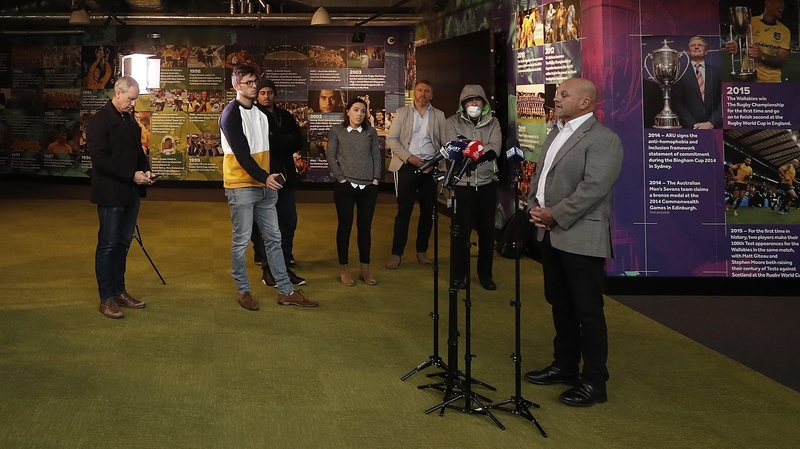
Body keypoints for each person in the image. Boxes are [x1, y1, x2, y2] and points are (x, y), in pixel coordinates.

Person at [525, 77, 624, 407]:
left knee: (588, 311)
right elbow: (542, 176)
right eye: (557, 94)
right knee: (560, 303)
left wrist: (554, 214)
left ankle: (595, 382)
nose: (556, 98)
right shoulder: (556, 131)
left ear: (585, 102)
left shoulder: (604, 140)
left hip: (580, 236)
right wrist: (534, 206)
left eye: (563, 94)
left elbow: (594, 189)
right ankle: (565, 366)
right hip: (551, 234)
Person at [219, 64, 318, 310]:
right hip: (241, 186)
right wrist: (265, 177)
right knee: (241, 240)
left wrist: (269, 178)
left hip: (265, 186)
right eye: (249, 83)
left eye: (256, 82)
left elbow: (271, 150)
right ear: (236, 86)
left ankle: (286, 291)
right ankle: (243, 291)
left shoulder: (262, 115)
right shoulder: (230, 114)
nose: (254, 86)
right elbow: (242, 155)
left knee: (274, 238)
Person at [88, 76, 157, 319]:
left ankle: (119, 291)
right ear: (118, 93)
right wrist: (132, 175)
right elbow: (100, 161)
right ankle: (106, 298)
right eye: (130, 99)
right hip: (110, 193)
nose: (133, 104)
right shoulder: (98, 122)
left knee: (123, 244)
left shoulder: (129, 120)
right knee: (107, 245)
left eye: (135, 100)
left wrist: (145, 171)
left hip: (129, 192)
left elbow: (138, 152)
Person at [444, 84, 502, 290]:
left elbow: (495, 147)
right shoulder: (452, 122)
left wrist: (472, 149)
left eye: (478, 100)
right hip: (463, 185)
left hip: (486, 185)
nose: (474, 104)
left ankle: (485, 275)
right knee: (461, 233)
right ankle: (459, 275)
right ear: (463, 104)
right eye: (470, 100)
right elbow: (455, 147)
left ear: (484, 103)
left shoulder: (493, 123)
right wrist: (475, 148)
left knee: (487, 234)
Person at [250, 79, 306, 287]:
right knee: (267, 226)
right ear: (257, 95)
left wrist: (278, 140)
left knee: (289, 221)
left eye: (269, 92)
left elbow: (299, 141)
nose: (266, 96)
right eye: (262, 92)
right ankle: (268, 269)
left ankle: (283, 263)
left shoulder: (285, 116)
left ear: (275, 94)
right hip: (264, 178)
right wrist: (284, 141)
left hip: (286, 178)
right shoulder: (253, 116)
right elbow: (263, 144)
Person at [385, 80, 446, 270]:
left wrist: (434, 164)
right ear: (414, 93)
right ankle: (397, 254)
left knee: (428, 211)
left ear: (432, 95)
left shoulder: (439, 115)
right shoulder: (403, 113)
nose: (423, 94)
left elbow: (445, 144)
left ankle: (422, 251)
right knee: (404, 211)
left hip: (430, 168)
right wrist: (409, 157)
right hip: (407, 165)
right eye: (420, 90)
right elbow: (391, 139)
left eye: (427, 91)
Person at [327, 97, 382, 286]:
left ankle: (365, 270)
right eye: (356, 110)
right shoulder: (337, 131)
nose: (359, 114)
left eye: (363, 111)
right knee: (345, 227)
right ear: (347, 111)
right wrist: (340, 178)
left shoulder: (371, 132)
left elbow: (376, 155)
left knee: (365, 229)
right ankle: (344, 270)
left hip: (368, 187)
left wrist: (375, 179)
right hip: (345, 187)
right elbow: (331, 156)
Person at [724, 0, 790, 83]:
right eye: (780, 2)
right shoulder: (751, 22)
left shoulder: (785, 31)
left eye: (784, 3)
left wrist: (761, 55)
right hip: (748, 78)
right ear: (768, 2)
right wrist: (734, 47)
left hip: (772, 81)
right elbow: (738, 41)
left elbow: (781, 62)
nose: (783, 6)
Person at [673, 36, 722, 129]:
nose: (696, 47)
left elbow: (724, 99)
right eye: (693, 45)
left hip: (715, 127)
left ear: (706, 51)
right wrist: (693, 124)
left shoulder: (717, 72)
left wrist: (712, 122)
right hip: (688, 128)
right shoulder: (679, 73)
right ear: (688, 52)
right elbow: (676, 102)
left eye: (700, 45)